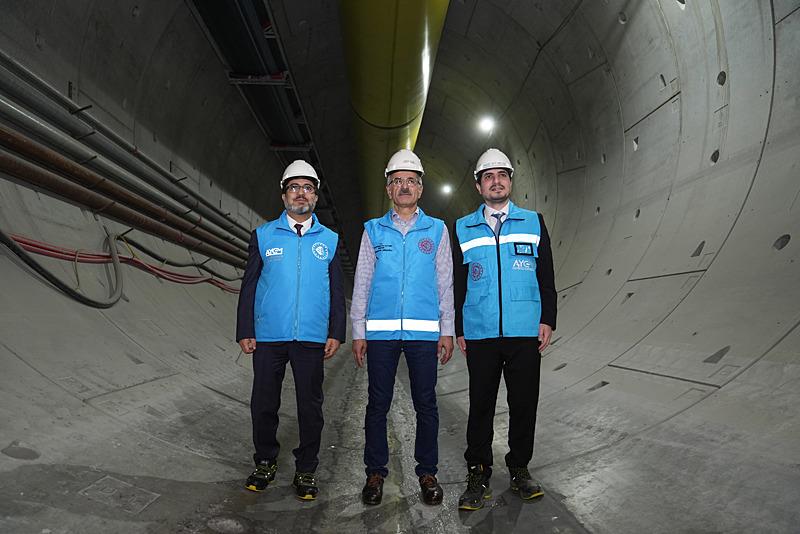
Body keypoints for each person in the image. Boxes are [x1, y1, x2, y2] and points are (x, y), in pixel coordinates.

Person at [452, 148, 557, 510]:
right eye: (488, 176)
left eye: (502, 175)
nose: (496, 182)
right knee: (480, 405)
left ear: (510, 181)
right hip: (480, 332)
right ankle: (478, 473)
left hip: (524, 331)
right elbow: (458, 282)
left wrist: (548, 319)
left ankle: (520, 469)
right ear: (479, 185)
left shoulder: (533, 220)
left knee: (524, 403)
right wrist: (459, 326)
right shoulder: (462, 227)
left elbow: (546, 276)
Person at [236, 160, 346, 501]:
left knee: (310, 406)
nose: (301, 194)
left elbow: (335, 290)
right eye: (295, 187)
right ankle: (265, 460)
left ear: (316, 196)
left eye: (308, 188)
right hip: (269, 335)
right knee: (264, 402)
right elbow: (250, 285)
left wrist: (336, 331)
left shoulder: (328, 239)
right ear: (284, 194)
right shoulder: (264, 235)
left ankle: (306, 467)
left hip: (312, 336)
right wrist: (245, 328)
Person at [350, 149, 455, 506]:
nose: (405, 186)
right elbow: (362, 282)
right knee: (377, 404)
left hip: (425, 334)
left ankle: (427, 472)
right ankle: (375, 472)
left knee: (426, 404)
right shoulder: (373, 231)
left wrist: (447, 329)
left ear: (421, 189)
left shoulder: (438, 230)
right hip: (380, 335)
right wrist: (358, 332)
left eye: (411, 180)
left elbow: (445, 282)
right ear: (389, 189)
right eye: (397, 181)